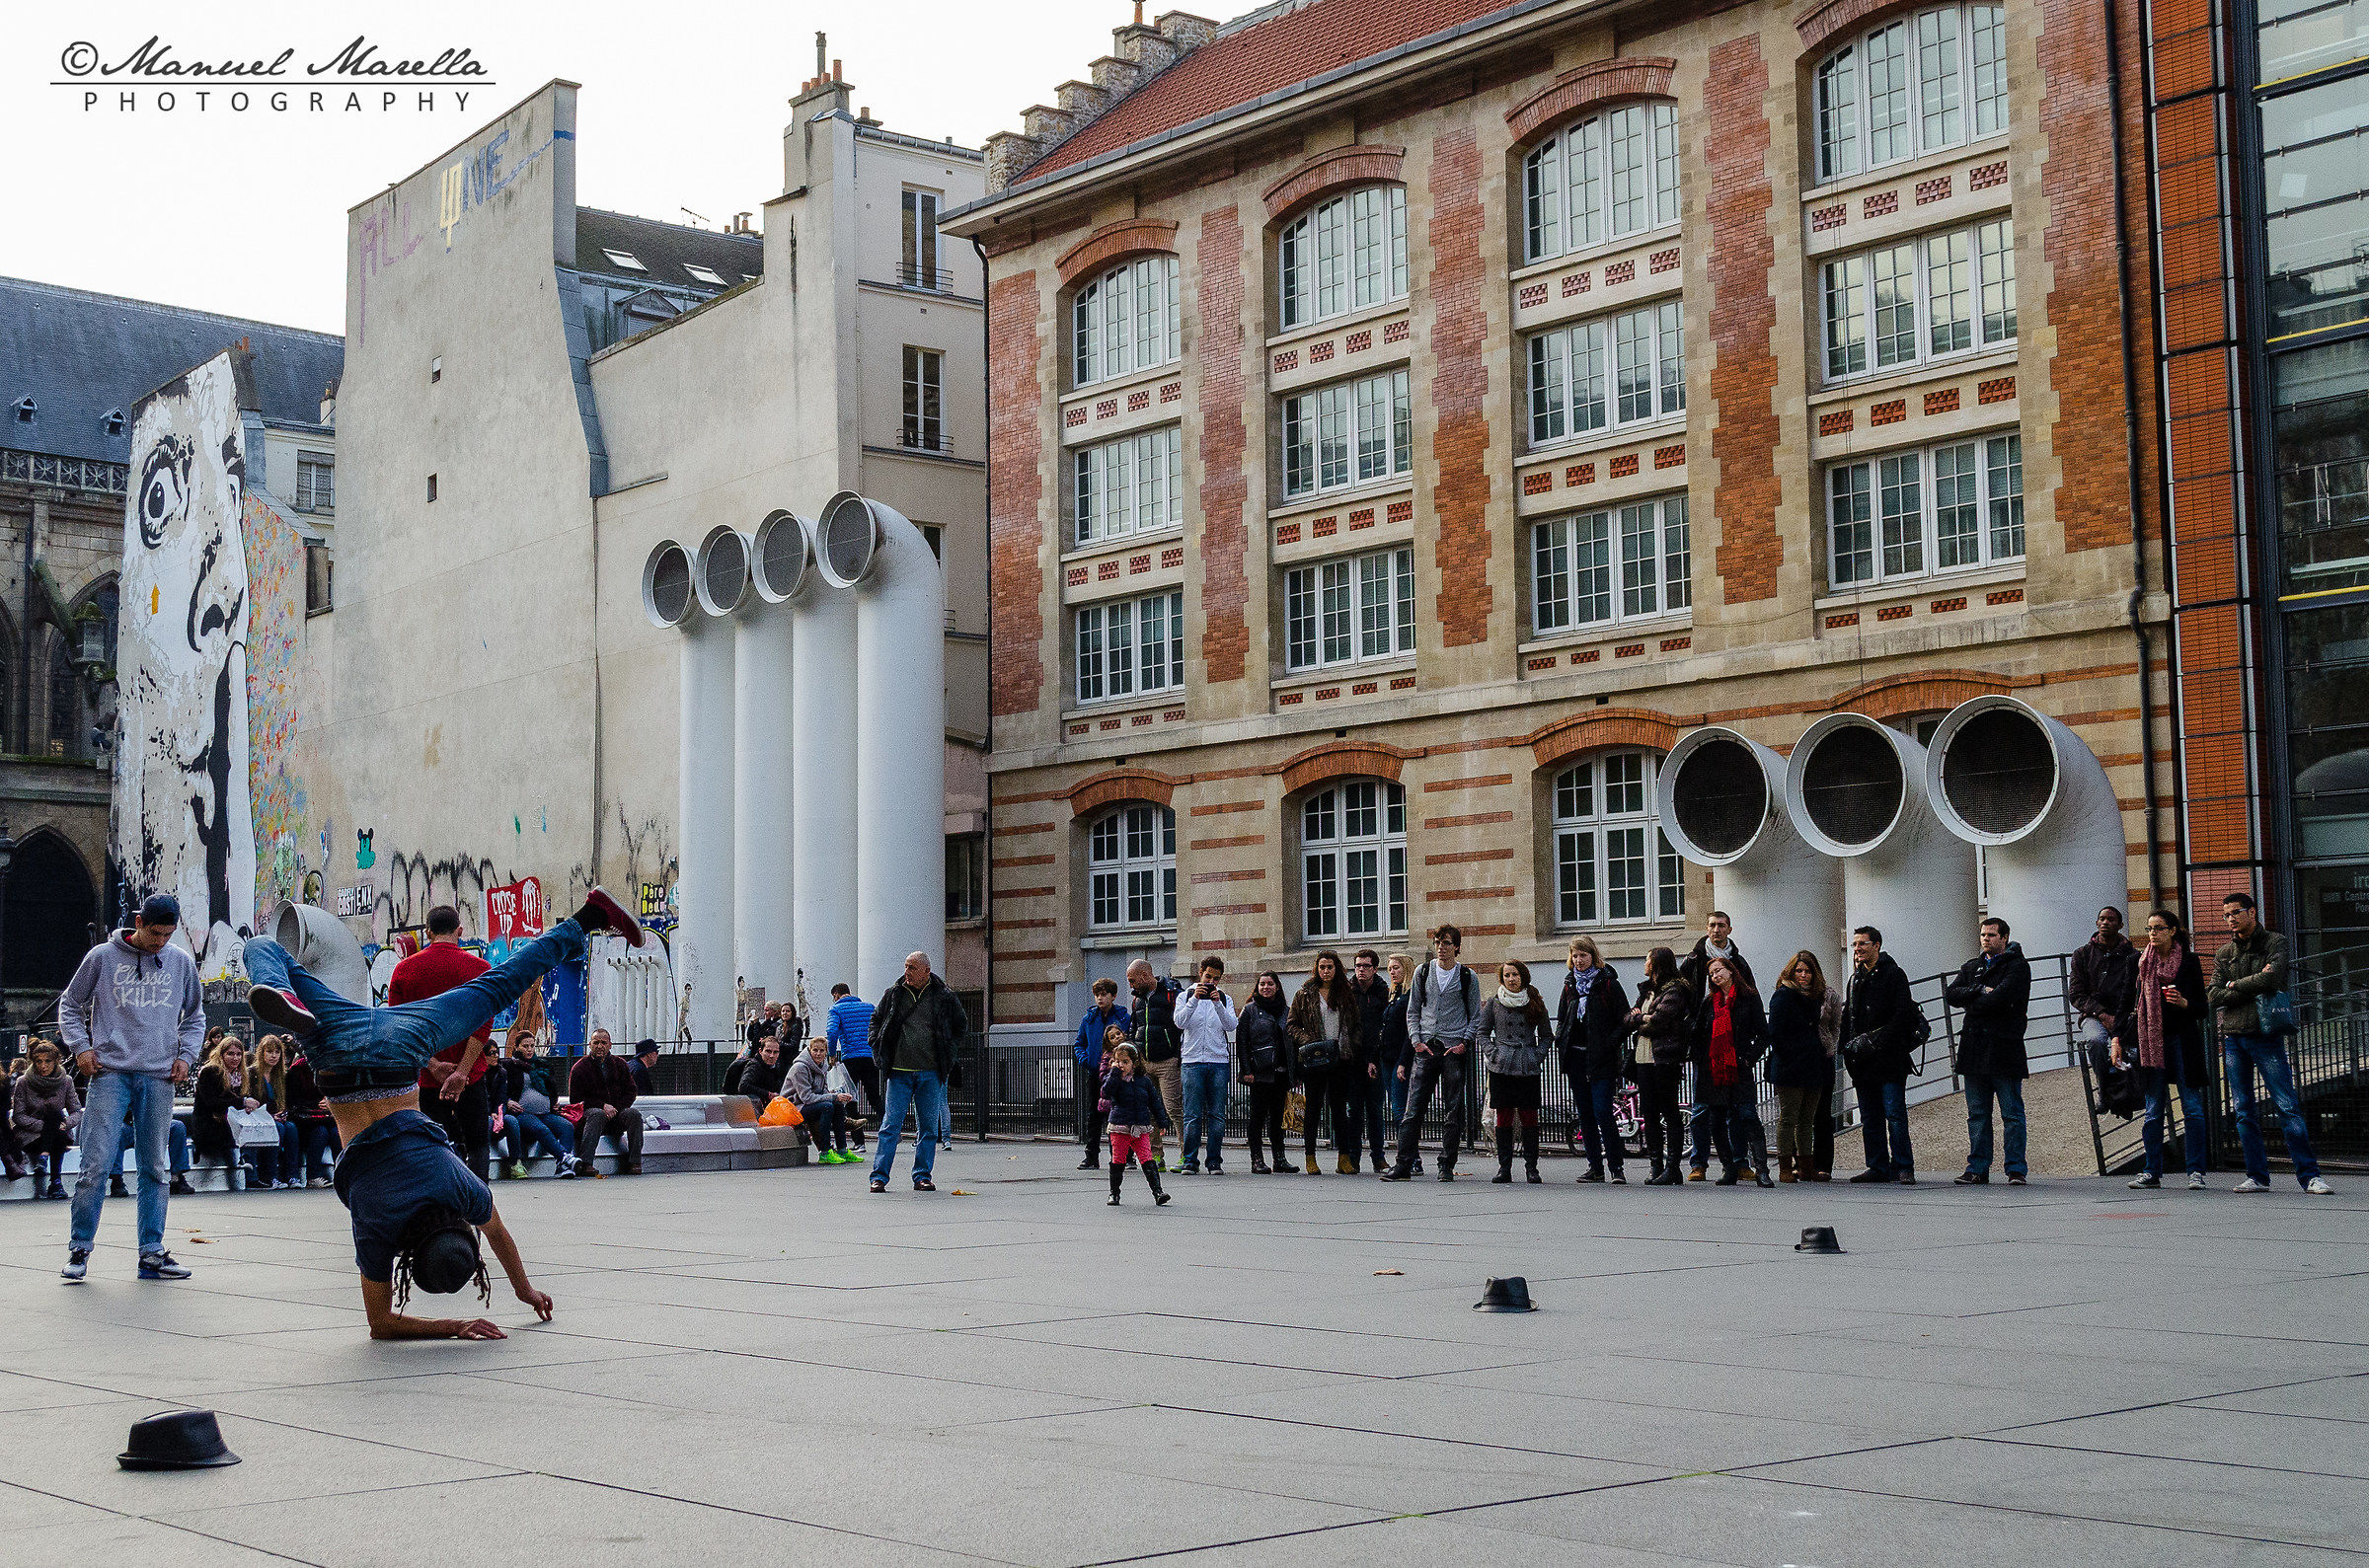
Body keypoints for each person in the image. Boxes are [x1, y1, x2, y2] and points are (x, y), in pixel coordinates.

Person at [237, 886, 642, 1335]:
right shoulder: (377, 1225)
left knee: (500, 984)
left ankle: (587, 917)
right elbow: (382, 1323)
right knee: (261, 945)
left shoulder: (457, 1187)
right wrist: (455, 1325)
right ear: (408, 1255)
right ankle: (283, 989)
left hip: (399, 1039)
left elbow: (500, 1237)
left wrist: (525, 1290)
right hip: (335, 1054)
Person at [57, 894, 205, 1283]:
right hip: (110, 1072)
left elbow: (195, 1016)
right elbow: (70, 1004)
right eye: (155, 933)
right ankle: (80, 1248)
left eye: (168, 935)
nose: (160, 942)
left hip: (158, 1074)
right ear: (139, 922)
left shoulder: (180, 962)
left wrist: (187, 1057)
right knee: (95, 1164)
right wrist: (81, 1048)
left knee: (155, 1166)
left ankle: (151, 1252)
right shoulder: (102, 958)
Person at [2210, 892, 2333, 1194]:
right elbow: (2213, 994)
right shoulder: (2225, 952)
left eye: (2235, 913)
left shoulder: (2274, 942)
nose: (2230, 919)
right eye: (2226, 915)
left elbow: (2273, 980)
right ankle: (2257, 1176)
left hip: (2266, 1036)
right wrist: (2246, 985)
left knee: (2287, 1105)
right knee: (2243, 1110)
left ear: (2252, 912)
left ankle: (2310, 1176)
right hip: (2235, 1037)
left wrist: (2234, 985)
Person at [388, 906, 497, 1185]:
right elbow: (483, 1025)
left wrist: (433, 1065)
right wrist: (462, 1072)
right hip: (471, 1075)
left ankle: (443, 1203)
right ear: (459, 930)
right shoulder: (480, 968)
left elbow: (401, 1026)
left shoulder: (404, 970)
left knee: (433, 1144)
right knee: (477, 1144)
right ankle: (479, 1207)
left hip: (427, 1077)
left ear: (428, 932)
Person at [2118, 909, 2212, 1190]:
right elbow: (2127, 1003)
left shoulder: (2189, 961)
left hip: (2182, 1041)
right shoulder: (2138, 961)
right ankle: (2151, 1172)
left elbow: (2202, 1008)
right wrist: (2116, 1039)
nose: (2152, 934)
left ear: (2172, 930)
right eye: (2149, 928)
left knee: (2192, 1107)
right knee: (2153, 1110)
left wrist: (2184, 1003)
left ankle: (2195, 1171)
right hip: (2150, 1043)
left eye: (2158, 928)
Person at [1383, 926, 1482, 1182]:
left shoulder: (1467, 976)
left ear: (1456, 947)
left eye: (1447, 943)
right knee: (1413, 1109)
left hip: (1453, 1048)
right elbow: (1412, 1010)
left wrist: (1464, 1043)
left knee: (1453, 1109)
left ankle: (1446, 1164)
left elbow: (1476, 1016)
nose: (1441, 947)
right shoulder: (1423, 971)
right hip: (1426, 1047)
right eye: (1438, 942)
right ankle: (1403, 1163)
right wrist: (1416, 1040)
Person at [867, 951, 969, 1194]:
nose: (907, 972)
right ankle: (879, 1176)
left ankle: (922, 1176)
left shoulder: (944, 996)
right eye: (905, 967)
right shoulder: (894, 994)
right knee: (890, 1125)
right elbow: (876, 1019)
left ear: (926, 971)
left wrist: (949, 1052)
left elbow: (960, 1025)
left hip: (930, 1073)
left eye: (912, 968)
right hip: (899, 1072)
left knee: (928, 1128)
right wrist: (875, 1042)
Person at [1947, 917, 2032, 1186]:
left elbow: (2003, 997)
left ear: (2004, 938)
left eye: (1992, 935)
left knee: (2011, 1113)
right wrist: (1978, 990)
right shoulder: (1972, 967)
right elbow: (1951, 994)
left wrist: (1972, 1002)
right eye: (1983, 934)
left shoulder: (2017, 966)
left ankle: (2016, 1169)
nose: (1986, 939)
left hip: (2004, 1048)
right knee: (1978, 1114)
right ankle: (1977, 1167)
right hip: (1974, 1050)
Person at [1842, 926, 1920, 1185]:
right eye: (1854, 944)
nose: (1857, 949)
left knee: (1895, 1114)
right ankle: (1877, 1165)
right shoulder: (1854, 979)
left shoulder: (1894, 974)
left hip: (1889, 1060)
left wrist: (1875, 1042)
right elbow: (1848, 1018)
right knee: (1870, 1117)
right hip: (1862, 1064)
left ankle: (1903, 1166)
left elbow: (1902, 1016)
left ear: (1876, 945)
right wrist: (1848, 1050)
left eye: (1863, 944)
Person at [1689, 956, 1772, 1186]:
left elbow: (1764, 1035)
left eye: (1719, 970)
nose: (1716, 976)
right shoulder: (1709, 1002)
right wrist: (1701, 1060)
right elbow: (1697, 1033)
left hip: (1739, 1068)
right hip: (1713, 1071)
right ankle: (1729, 1168)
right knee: (1716, 1121)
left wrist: (1748, 1059)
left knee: (1747, 1115)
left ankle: (1761, 1170)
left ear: (1731, 971)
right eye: (1712, 973)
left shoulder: (1749, 998)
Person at [1554, 937, 1630, 1184]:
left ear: (1593, 956)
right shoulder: (1569, 985)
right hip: (1577, 1057)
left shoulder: (1608, 983)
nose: (1579, 960)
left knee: (1602, 1111)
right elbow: (1563, 1017)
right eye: (1575, 956)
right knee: (1585, 1113)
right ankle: (1594, 1166)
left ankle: (1616, 1167)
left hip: (1602, 1059)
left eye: (1583, 956)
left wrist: (1609, 1042)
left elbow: (1624, 1020)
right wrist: (1561, 1040)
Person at [1476, 959, 1552, 1184]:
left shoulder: (1535, 1001)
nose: (1511, 979)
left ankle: (1532, 1168)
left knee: (1529, 1116)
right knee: (1504, 1117)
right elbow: (1482, 1033)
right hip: (1501, 1067)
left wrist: (1537, 1055)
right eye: (1507, 975)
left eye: (1515, 974)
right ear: (1502, 979)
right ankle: (1504, 1167)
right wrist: (1494, 1053)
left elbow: (1547, 1035)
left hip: (1527, 1066)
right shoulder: (1494, 1003)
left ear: (1523, 976)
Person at [1766, 952, 1839, 1183]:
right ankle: (1786, 1166)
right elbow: (1775, 1033)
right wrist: (1790, 1056)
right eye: (1799, 971)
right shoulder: (1783, 996)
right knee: (1789, 1117)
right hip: (1791, 1066)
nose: (1803, 976)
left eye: (1807, 971)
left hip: (1814, 1064)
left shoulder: (1817, 996)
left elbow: (1831, 1027)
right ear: (1791, 972)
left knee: (1808, 1119)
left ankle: (1807, 1166)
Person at [1288, 951, 1359, 1175]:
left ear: (1336, 968)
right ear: (1316, 969)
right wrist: (1307, 1040)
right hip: (1315, 1056)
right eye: (1322, 967)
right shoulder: (1305, 993)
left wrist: (1351, 1044)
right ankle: (1310, 1156)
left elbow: (1357, 1024)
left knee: (1339, 1108)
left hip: (1339, 1056)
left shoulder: (1346, 993)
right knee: (1313, 1108)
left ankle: (1344, 1158)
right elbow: (1291, 1024)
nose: (1326, 971)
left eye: (1329, 967)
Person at [1628, 947, 1694, 1184]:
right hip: (1643, 1059)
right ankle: (1655, 1165)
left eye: (1647, 959)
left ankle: (1672, 1167)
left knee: (1669, 1111)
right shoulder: (1647, 991)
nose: (1644, 963)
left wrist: (1641, 1020)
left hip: (1664, 1059)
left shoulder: (1675, 990)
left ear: (1657, 964)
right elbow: (1628, 1018)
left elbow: (1659, 1021)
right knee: (1649, 1113)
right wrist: (1640, 1018)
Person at [1177, 956, 1237, 1175]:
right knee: (1191, 1114)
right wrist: (1194, 999)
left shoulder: (1224, 998)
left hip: (1218, 1061)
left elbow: (1231, 1025)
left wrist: (1217, 1003)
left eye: (1216, 979)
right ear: (1200, 973)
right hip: (1192, 1061)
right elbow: (1180, 1022)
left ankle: (1214, 1161)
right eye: (1208, 976)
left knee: (1217, 1115)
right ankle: (1190, 1161)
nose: (1211, 982)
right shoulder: (1184, 995)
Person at [1126, 959, 1185, 1169]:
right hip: (1145, 1061)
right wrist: (1134, 1050)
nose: (1131, 985)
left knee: (1173, 1109)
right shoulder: (1138, 1001)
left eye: (1133, 980)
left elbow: (1182, 1025)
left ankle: (1186, 1154)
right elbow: (1135, 1026)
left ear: (1144, 976)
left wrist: (1178, 1056)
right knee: (1148, 1110)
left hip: (1167, 1061)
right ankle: (1156, 1155)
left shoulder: (1172, 994)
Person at [1099, 1041, 1172, 1206]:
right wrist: (1115, 1074)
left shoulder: (1144, 1081)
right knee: (1118, 1160)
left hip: (1140, 1127)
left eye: (1125, 1062)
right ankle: (1114, 1193)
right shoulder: (1114, 1078)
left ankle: (1158, 1192)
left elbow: (1154, 1102)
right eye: (1118, 1061)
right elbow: (1106, 1092)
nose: (1121, 1065)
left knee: (1147, 1158)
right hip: (1120, 1127)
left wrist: (1162, 1121)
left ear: (1135, 1063)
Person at [496, 1029, 575, 1178]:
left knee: (566, 1126)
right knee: (541, 1129)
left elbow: (552, 1089)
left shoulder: (541, 1065)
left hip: (545, 1113)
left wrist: (553, 1103)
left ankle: (562, 1167)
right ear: (516, 1047)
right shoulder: (508, 1065)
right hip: (522, 1113)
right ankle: (565, 1157)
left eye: (532, 1045)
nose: (530, 1049)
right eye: (525, 1046)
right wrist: (508, 1101)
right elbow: (498, 1090)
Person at [1235, 972, 1292, 1174]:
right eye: (1262, 984)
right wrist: (1246, 1070)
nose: (1266, 987)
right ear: (1257, 987)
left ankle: (1280, 1158)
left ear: (1277, 987)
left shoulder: (1286, 1010)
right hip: (1259, 1072)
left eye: (1270, 984)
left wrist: (1295, 1072)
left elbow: (1291, 1041)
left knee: (1277, 1118)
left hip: (1281, 1072)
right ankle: (1257, 1159)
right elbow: (1241, 1042)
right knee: (1257, 1116)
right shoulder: (1250, 1010)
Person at [1070, 978, 1129, 1169]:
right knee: (1093, 1115)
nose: (1100, 998)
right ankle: (1091, 1156)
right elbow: (1079, 1043)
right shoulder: (1089, 1019)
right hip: (1096, 1072)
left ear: (1113, 996)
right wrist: (1086, 1060)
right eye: (1097, 995)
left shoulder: (1122, 1017)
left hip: (1118, 1073)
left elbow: (1129, 1040)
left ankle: (1121, 1156)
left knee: (1119, 1114)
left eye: (1104, 994)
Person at [569, 1029, 645, 1175]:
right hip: (590, 1116)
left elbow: (631, 1091)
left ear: (610, 1045)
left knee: (634, 1114)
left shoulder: (620, 1064)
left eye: (603, 1043)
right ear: (590, 1044)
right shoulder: (579, 1068)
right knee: (597, 1114)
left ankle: (635, 1162)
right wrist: (602, 1105)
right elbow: (576, 1099)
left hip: (617, 1113)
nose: (599, 1046)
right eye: (596, 1042)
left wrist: (615, 1108)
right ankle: (586, 1163)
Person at [12, 1040, 82, 1198]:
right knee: (54, 1121)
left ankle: (44, 1158)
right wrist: (45, 1126)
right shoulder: (23, 1082)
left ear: (56, 1061)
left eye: (48, 1061)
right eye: (39, 1061)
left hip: (59, 1131)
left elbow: (76, 1112)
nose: (43, 1066)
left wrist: (66, 1124)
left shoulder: (66, 1081)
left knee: (55, 1117)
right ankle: (56, 1184)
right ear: (33, 1062)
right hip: (31, 1135)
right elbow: (19, 1116)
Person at [1344, 949, 1393, 1174]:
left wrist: (1374, 1058)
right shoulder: (1348, 991)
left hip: (1376, 1059)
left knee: (1375, 1110)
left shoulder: (1383, 991)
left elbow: (1383, 1028)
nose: (1361, 970)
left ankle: (1378, 1157)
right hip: (1353, 1060)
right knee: (1354, 1111)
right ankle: (1353, 1157)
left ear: (1374, 968)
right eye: (1357, 966)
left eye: (1365, 966)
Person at [2069, 906, 2139, 1056]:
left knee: (2134, 1049)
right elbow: (2075, 994)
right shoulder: (2082, 954)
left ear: (2120, 926)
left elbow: (2135, 991)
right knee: (2096, 1041)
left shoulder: (2132, 956)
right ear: (2096, 923)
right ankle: (2104, 1078)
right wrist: (2102, 1014)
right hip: (2093, 1015)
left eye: (2110, 919)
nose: (2105, 923)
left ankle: (2131, 1077)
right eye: (2102, 919)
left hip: (2125, 1015)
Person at [1379, 953, 1422, 1176]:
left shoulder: (1409, 997)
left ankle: (1411, 1157)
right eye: (1389, 968)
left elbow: (1409, 1033)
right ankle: (1410, 1156)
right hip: (1386, 1057)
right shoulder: (1393, 995)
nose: (1392, 972)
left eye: (1396, 968)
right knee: (1396, 1108)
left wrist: (1403, 1062)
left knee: (1400, 1110)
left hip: (1399, 1058)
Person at [191, 1036, 254, 1182]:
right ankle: (247, 1171)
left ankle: (257, 1172)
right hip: (208, 1123)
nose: (235, 1058)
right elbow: (212, 1103)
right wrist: (242, 1102)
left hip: (227, 1122)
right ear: (221, 1054)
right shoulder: (211, 1071)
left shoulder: (239, 1074)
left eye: (239, 1054)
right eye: (230, 1053)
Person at [790, 1036, 860, 1163]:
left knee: (837, 1104)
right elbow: (806, 1098)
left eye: (821, 1051)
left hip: (811, 1103)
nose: (818, 1053)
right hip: (795, 1107)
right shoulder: (800, 1067)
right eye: (815, 1050)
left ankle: (842, 1150)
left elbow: (824, 1091)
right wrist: (832, 1097)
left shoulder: (823, 1066)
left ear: (826, 1051)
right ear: (809, 1050)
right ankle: (825, 1152)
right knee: (828, 1106)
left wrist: (838, 1097)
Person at [246, 1034, 303, 1190]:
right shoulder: (251, 1073)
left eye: (277, 1052)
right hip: (258, 1119)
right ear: (261, 1053)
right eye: (269, 1052)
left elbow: (288, 1101)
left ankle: (292, 1175)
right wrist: (270, 1117)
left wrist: (283, 1113)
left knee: (291, 1128)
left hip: (277, 1117)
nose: (273, 1056)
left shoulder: (282, 1075)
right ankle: (270, 1175)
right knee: (278, 1128)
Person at [825, 983, 878, 1150]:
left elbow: (832, 1033)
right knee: (875, 1097)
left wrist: (832, 1054)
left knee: (850, 1098)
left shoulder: (836, 1009)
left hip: (850, 1058)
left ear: (835, 995)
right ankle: (890, 1132)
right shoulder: (869, 1007)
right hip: (870, 1057)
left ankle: (859, 1142)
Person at [284, 1042, 341, 1187]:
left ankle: (341, 1174)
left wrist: (329, 1102)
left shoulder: (331, 1069)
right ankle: (313, 1176)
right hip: (305, 1121)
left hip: (326, 1118)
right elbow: (293, 1103)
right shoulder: (296, 1071)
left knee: (335, 1132)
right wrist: (317, 1104)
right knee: (320, 1132)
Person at [737, 1035, 790, 1114]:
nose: (772, 1056)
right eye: (768, 1051)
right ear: (760, 1051)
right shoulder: (754, 1066)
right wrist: (768, 1094)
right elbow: (743, 1085)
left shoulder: (777, 1067)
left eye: (775, 1052)